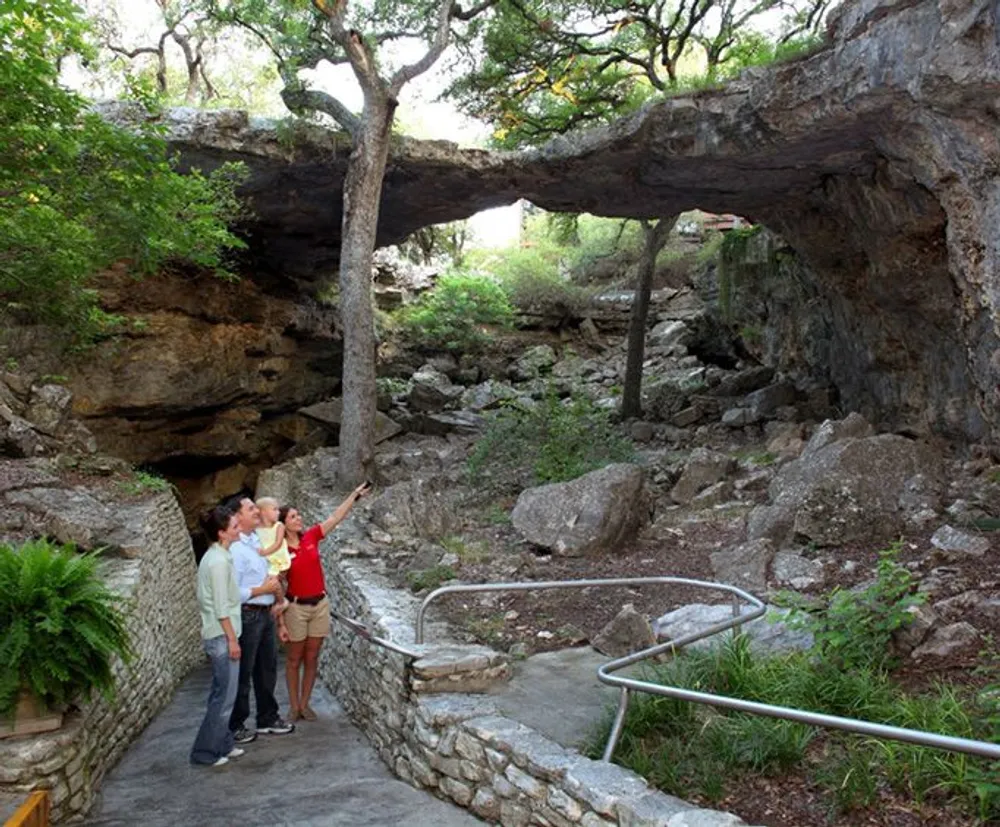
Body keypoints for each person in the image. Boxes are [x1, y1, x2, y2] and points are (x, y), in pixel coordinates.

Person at [281, 481, 371, 721]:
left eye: (298, 514)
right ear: (283, 524)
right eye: (293, 516)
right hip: (296, 607)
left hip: (319, 604)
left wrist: (354, 495)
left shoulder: (311, 536)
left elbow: (335, 518)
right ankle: (293, 706)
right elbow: (277, 581)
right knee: (293, 658)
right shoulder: (279, 550)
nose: (299, 519)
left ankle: (305, 703)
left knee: (312, 656)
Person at [227, 496, 295, 744]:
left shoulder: (255, 542)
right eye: (251, 509)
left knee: (267, 669)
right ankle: (236, 724)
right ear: (237, 516)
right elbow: (233, 592)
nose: (256, 511)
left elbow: (271, 578)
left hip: (265, 614)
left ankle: (267, 717)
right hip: (248, 613)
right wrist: (263, 591)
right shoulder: (234, 550)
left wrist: (278, 603)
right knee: (244, 672)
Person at [190, 506, 244, 767]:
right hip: (222, 637)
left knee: (222, 694)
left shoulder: (217, 557)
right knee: (224, 698)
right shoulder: (219, 562)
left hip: (221, 634)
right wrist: (233, 640)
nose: (239, 529)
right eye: (234, 526)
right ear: (222, 533)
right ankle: (205, 753)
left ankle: (223, 743)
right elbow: (222, 607)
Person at [255, 496, 292, 612]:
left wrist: (265, 552)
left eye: (278, 509)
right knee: (270, 581)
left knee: (274, 580)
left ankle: (281, 602)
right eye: (274, 509)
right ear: (263, 512)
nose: (278, 512)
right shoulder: (256, 529)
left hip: (279, 559)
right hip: (267, 560)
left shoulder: (279, 526)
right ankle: (275, 602)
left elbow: (278, 543)